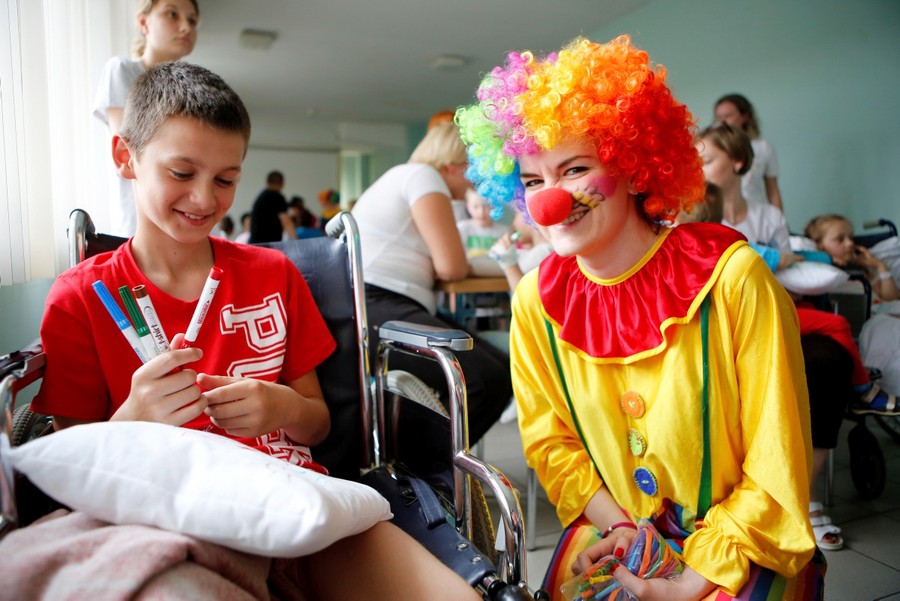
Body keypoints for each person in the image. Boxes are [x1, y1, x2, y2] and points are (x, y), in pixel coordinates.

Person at [31, 61, 479, 601]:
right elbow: (72, 464)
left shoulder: (273, 276)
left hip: (299, 509)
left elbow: (314, 425)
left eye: (225, 180)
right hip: (165, 515)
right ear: (126, 157)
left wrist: (282, 408)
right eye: (181, 173)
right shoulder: (80, 298)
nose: (204, 200)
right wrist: (131, 420)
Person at [457, 35, 822, 599]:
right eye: (532, 181)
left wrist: (692, 580)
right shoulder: (535, 301)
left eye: (575, 168)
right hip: (614, 527)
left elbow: (779, 461)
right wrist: (622, 527)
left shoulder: (731, 278)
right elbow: (552, 446)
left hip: (742, 539)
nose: (550, 201)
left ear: (632, 165)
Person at [351, 121, 512, 468]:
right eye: (472, 170)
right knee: (488, 379)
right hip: (377, 304)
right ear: (453, 165)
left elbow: (449, 264)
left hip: (376, 303)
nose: (473, 182)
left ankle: (424, 472)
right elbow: (452, 266)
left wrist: (510, 263)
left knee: (498, 369)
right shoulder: (424, 178)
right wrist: (514, 264)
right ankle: (424, 478)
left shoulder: (405, 176)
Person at [93, 0, 200, 237]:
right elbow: (131, 146)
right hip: (138, 223)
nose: (185, 27)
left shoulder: (192, 89)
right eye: (172, 14)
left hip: (184, 220)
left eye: (192, 20)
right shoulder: (121, 70)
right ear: (144, 22)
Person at [713, 93, 784, 210]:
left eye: (728, 116)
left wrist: (780, 220)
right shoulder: (712, 147)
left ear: (745, 116)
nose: (722, 122)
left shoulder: (763, 147)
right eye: (719, 117)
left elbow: (773, 190)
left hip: (756, 213)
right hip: (722, 215)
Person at [804, 214, 898, 302]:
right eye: (840, 239)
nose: (850, 243)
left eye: (851, 237)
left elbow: (891, 298)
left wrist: (880, 266)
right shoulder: (817, 271)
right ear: (819, 245)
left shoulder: (861, 269)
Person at [250, 171, 296, 243]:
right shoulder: (277, 197)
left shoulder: (261, 197)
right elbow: (286, 221)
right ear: (282, 183)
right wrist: (295, 241)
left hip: (256, 243)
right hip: (268, 244)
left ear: (267, 182)